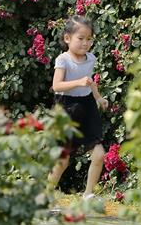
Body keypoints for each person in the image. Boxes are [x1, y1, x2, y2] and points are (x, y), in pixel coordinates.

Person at [47, 15, 109, 201]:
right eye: (80, 38)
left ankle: (88, 195)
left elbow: (89, 82)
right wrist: (78, 82)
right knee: (62, 160)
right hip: (66, 108)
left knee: (99, 155)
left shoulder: (91, 59)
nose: (85, 43)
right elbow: (57, 86)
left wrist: (98, 98)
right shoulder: (63, 60)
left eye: (89, 39)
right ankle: (45, 197)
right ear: (67, 38)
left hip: (87, 106)